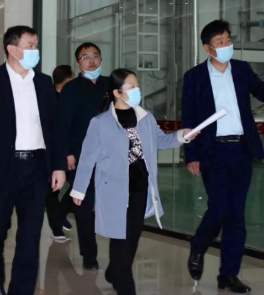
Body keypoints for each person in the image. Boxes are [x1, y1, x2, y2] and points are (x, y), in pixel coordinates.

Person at [182, 20, 264, 293]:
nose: (226, 46)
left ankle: (229, 275)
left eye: (228, 40)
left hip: (241, 150)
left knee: (236, 216)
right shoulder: (194, 77)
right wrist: (191, 155)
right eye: (220, 42)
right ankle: (198, 244)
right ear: (208, 48)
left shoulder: (241, 69)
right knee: (218, 209)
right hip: (213, 151)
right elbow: (189, 117)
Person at [71, 68, 198, 295]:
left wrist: (182, 136)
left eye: (137, 85)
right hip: (113, 190)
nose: (137, 89)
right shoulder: (100, 123)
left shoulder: (145, 117)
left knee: (132, 238)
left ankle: (114, 272)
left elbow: (161, 141)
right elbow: (88, 158)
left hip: (140, 188)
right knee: (120, 239)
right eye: (132, 86)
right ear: (117, 92)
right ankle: (125, 287)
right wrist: (79, 190)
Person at [0, 25, 66, 295]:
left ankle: (21, 290)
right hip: (3, 168)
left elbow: (54, 128)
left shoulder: (43, 82)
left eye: (36, 45)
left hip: (37, 167)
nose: (36, 50)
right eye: (30, 45)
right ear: (12, 49)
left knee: (30, 235)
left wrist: (58, 166)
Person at [55, 42, 109, 269]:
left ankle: (58, 212)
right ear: (78, 63)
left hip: (110, 155)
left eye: (95, 56)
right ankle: (89, 254)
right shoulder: (72, 89)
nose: (91, 61)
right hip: (81, 155)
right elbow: (62, 124)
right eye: (85, 57)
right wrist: (67, 154)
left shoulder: (111, 85)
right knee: (85, 206)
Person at [44, 64, 74, 242]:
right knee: (52, 192)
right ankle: (57, 229)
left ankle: (60, 214)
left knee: (78, 185)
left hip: (69, 150)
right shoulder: (49, 96)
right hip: (53, 151)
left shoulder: (70, 96)